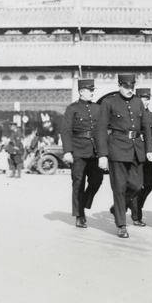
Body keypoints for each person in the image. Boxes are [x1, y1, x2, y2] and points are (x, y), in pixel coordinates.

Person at [96, 74, 152, 238]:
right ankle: (121, 225)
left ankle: (117, 208)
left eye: (132, 87)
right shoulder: (109, 103)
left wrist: (150, 149)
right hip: (117, 149)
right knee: (119, 188)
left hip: (137, 149)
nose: (130, 90)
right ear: (120, 85)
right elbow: (100, 129)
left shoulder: (138, 102)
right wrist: (102, 155)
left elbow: (146, 128)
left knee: (137, 186)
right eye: (127, 87)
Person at [61, 78, 104, 229]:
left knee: (97, 180)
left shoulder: (98, 109)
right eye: (89, 90)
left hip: (94, 151)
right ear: (81, 91)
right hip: (78, 150)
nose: (92, 93)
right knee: (78, 182)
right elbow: (65, 131)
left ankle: (85, 201)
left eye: (93, 90)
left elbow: (102, 130)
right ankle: (79, 215)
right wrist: (67, 151)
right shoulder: (72, 109)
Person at [127, 88, 152, 227]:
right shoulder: (132, 114)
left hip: (149, 155)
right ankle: (136, 216)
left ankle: (126, 203)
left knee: (150, 184)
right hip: (136, 154)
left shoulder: (150, 115)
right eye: (145, 99)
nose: (147, 102)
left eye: (148, 99)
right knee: (137, 185)